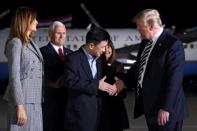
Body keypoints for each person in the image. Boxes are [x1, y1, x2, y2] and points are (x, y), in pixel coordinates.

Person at [124, 9, 188, 131]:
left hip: (166, 112)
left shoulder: (173, 45)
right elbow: (139, 66)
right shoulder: (145, 43)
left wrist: (166, 108)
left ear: (151, 26)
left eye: (139, 26)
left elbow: (174, 80)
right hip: (151, 108)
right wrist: (124, 81)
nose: (137, 29)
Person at [63, 27, 118, 131]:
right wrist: (97, 85)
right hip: (79, 118)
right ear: (91, 45)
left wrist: (116, 85)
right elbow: (70, 83)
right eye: (102, 47)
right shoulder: (73, 59)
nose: (104, 50)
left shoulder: (99, 60)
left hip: (98, 116)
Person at [3, 7, 43, 131]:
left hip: (35, 100)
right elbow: (14, 76)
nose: (37, 22)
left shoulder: (30, 43)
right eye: (34, 19)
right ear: (26, 20)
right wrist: (19, 106)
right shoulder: (15, 43)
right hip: (23, 101)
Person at [40, 21, 72, 131]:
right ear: (50, 33)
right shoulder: (41, 53)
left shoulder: (71, 53)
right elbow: (36, 76)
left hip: (68, 102)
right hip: (51, 102)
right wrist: (49, 83)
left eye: (64, 33)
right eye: (59, 33)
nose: (62, 36)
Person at [98, 39, 129, 131]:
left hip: (116, 105)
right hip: (102, 105)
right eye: (104, 47)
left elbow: (124, 92)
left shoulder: (118, 66)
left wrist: (118, 88)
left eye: (109, 47)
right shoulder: (96, 65)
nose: (107, 50)